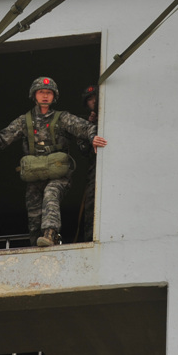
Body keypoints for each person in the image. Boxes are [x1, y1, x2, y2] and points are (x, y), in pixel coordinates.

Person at [0, 76, 108, 247]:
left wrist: (93, 137)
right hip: (35, 175)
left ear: (54, 96)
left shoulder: (62, 118)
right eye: (41, 92)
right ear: (34, 95)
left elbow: (86, 127)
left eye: (49, 93)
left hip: (58, 173)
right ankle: (37, 244)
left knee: (51, 194)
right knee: (34, 214)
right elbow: (3, 136)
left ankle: (51, 234)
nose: (45, 96)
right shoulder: (25, 121)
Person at [77, 85, 99, 242]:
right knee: (92, 206)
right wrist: (91, 127)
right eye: (90, 100)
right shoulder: (84, 124)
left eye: (95, 97)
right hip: (96, 170)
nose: (94, 101)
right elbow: (83, 150)